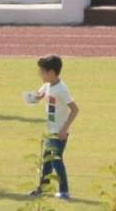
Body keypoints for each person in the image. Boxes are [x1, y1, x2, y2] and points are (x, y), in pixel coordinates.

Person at [27, 55, 79, 200]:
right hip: (51, 131)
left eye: (42, 72)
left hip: (59, 133)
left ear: (51, 72)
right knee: (47, 161)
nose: (40, 74)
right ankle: (43, 188)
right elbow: (39, 96)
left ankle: (64, 191)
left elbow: (75, 109)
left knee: (56, 160)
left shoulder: (62, 89)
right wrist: (34, 98)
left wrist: (64, 129)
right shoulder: (47, 85)